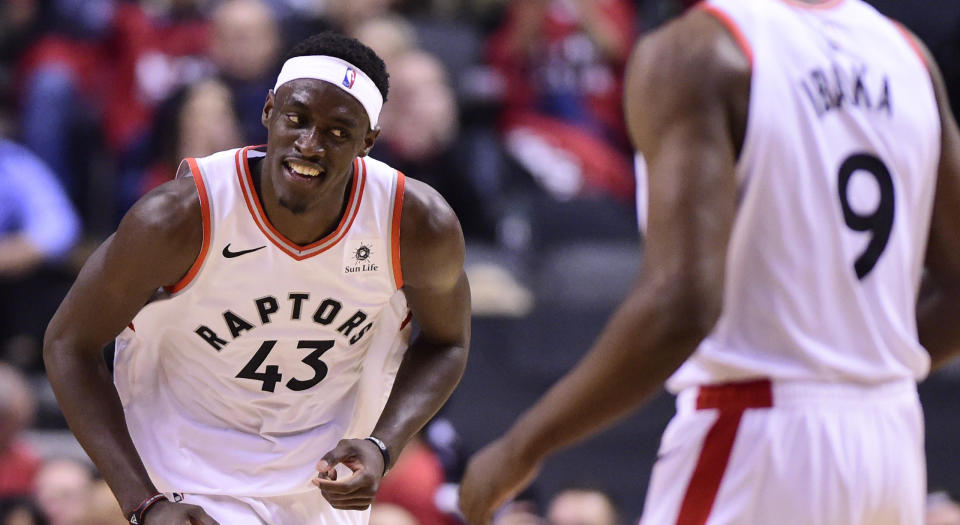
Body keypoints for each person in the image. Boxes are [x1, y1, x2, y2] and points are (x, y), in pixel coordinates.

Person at [458, 0, 960, 524]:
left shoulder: (696, 50)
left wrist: (521, 447)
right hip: (890, 432)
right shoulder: (905, 54)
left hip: (759, 437)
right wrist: (850, 368)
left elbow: (683, 306)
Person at [43, 31, 470, 525]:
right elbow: (68, 343)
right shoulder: (181, 217)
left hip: (321, 488)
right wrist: (143, 503)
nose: (309, 145)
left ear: (369, 141)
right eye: (297, 119)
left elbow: (448, 342)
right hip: (184, 483)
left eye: (337, 132)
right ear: (269, 110)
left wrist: (382, 445)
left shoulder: (415, 224)